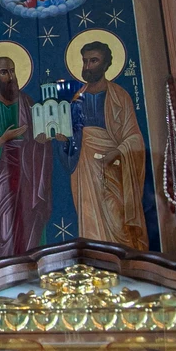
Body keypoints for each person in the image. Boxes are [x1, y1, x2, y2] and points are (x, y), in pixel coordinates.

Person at [60, 41, 149, 250]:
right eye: (85, 61)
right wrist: (63, 141)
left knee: (117, 217)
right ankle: (95, 259)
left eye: (94, 61)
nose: (88, 66)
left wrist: (117, 152)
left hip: (113, 167)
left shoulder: (120, 96)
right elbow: (72, 139)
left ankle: (123, 261)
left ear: (106, 64)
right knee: (89, 216)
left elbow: (134, 137)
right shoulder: (76, 99)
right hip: (84, 169)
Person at [0, 57, 54, 258]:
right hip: (3, 178)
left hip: (29, 175)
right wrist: (3, 140)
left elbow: (38, 139)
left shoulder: (27, 102)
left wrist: (42, 141)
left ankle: (33, 266)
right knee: (5, 230)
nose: (10, 76)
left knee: (31, 223)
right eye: (4, 72)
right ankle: (7, 269)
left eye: (12, 70)